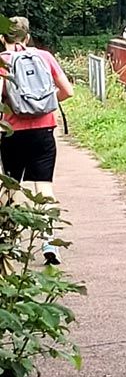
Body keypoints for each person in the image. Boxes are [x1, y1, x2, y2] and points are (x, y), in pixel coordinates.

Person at [0, 16, 74, 264]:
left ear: (3, 38)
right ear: (28, 37)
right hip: (44, 131)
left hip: (12, 133)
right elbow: (67, 91)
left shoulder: (3, 61)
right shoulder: (45, 57)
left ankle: (8, 242)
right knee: (43, 186)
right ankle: (49, 242)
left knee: (10, 186)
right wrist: (42, 106)